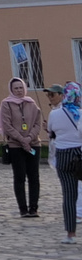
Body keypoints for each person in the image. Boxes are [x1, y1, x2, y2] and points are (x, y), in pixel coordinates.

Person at [0, 76, 46, 220]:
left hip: (33, 144)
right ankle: (23, 209)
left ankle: (33, 208)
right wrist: (22, 140)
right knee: (19, 177)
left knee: (34, 177)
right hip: (15, 145)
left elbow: (37, 124)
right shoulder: (6, 104)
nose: (19, 91)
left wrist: (29, 138)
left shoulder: (32, 103)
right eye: (16, 88)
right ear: (11, 90)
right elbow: (7, 125)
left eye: (21, 88)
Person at [47, 81, 82, 243]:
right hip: (79, 152)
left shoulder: (55, 113)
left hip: (63, 154)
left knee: (69, 194)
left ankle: (70, 234)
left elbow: (51, 131)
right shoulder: (80, 113)